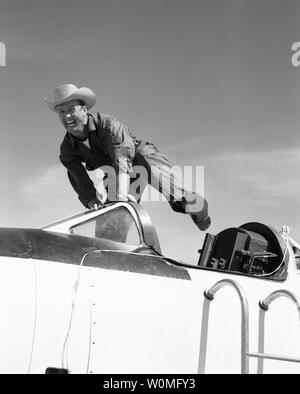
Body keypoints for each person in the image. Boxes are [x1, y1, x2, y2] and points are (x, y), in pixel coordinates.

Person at [44, 84, 211, 231]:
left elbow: (121, 156)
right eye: (61, 112)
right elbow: (78, 178)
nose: (66, 116)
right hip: (114, 173)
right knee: (110, 223)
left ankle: (198, 208)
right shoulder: (67, 149)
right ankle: (111, 251)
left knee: (149, 166)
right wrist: (92, 200)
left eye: (71, 110)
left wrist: (122, 196)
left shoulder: (108, 125)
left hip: (139, 158)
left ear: (84, 110)